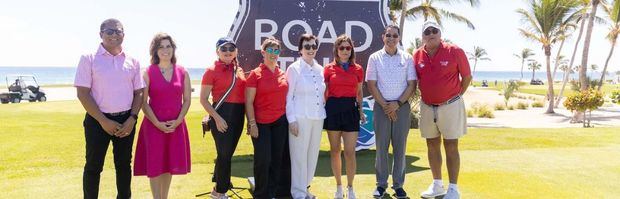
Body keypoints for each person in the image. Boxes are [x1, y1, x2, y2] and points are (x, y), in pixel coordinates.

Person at [74, 18, 144, 199]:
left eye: (118, 31)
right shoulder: (88, 59)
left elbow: (139, 93)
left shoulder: (133, 61)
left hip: (126, 120)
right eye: (109, 31)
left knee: (123, 166)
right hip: (98, 121)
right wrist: (103, 120)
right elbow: (83, 93)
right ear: (101, 34)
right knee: (93, 166)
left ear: (124, 34)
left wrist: (132, 119)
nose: (114, 35)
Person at [413, 21, 471, 199]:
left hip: (450, 105)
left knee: (451, 145)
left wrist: (455, 96)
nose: (431, 34)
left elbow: (467, 77)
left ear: (440, 33)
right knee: (431, 144)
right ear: (423, 36)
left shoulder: (455, 51)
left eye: (434, 30)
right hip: (428, 106)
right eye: (427, 32)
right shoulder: (417, 55)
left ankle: (453, 188)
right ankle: (437, 184)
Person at [133, 33, 191, 199]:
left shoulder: (182, 72)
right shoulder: (148, 72)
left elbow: (186, 100)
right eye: (161, 47)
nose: (165, 50)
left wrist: (178, 121)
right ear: (155, 51)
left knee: (169, 164)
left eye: (168, 46)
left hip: (176, 126)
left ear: (173, 49)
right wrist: (158, 123)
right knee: (155, 166)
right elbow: (143, 102)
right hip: (153, 126)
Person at [366, 25, 417, 198]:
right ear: (383, 37)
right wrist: (386, 106)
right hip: (381, 108)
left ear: (399, 38)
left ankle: (398, 185)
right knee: (381, 147)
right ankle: (381, 185)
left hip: (401, 108)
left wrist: (397, 103)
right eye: (388, 35)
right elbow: (371, 84)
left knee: (400, 148)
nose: (391, 38)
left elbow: (412, 84)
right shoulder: (374, 58)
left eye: (395, 35)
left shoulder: (407, 58)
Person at [200, 37, 247, 199]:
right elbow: (204, 99)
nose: (228, 52)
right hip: (221, 115)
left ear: (236, 51)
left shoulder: (239, 69)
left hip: (238, 115)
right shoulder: (211, 70)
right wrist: (217, 119)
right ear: (217, 51)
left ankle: (220, 182)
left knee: (226, 154)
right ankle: (219, 191)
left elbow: (244, 96)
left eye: (231, 49)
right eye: (224, 49)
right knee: (225, 154)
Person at [245, 37, 290, 199]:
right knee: (263, 160)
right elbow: (248, 102)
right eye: (270, 50)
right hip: (261, 123)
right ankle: (261, 195)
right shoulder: (255, 75)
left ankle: (273, 193)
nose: (273, 54)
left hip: (280, 122)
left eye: (276, 50)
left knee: (277, 160)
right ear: (263, 52)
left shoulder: (283, 73)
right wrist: (252, 124)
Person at [323, 34, 365, 199]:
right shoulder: (328, 69)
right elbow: (324, 91)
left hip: (350, 110)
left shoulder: (358, 69)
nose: (345, 51)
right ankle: (339, 187)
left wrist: (360, 111)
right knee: (335, 151)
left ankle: (350, 187)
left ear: (351, 50)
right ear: (336, 50)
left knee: (349, 152)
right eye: (342, 48)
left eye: (348, 48)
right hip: (333, 109)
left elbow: (359, 92)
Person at [285, 34, 326, 199]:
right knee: (299, 156)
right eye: (307, 46)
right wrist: (292, 120)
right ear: (300, 50)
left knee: (312, 156)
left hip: (318, 118)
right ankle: (298, 193)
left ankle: (306, 188)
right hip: (300, 118)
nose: (310, 49)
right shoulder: (294, 69)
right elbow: (288, 96)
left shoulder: (320, 69)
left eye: (313, 46)